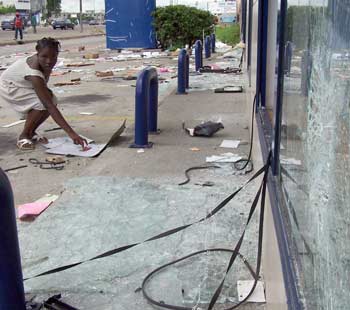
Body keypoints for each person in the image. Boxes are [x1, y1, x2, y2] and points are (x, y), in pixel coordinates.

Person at [0, 37, 87, 150]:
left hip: (24, 83)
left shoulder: (45, 64)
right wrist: (72, 134)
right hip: (10, 86)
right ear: (37, 53)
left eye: (53, 56)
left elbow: (49, 101)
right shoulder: (34, 71)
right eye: (44, 56)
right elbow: (48, 105)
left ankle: (31, 132)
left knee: (52, 99)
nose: (49, 61)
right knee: (42, 104)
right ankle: (24, 135)